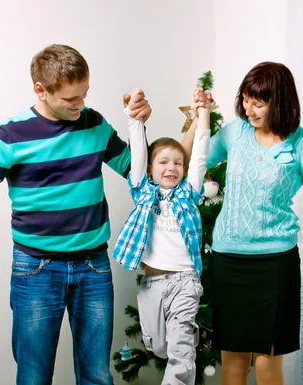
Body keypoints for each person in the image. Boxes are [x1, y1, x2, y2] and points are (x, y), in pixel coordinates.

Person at [0, 44, 151, 385]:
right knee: (34, 377)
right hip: (35, 271)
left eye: (84, 94)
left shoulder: (93, 123)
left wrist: (138, 126)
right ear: (41, 90)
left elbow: (138, 174)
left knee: (98, 376)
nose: (80, 105)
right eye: (71, 99)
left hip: (93, 267)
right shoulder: (10, 137)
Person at [181, 62, 303, 385]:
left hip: (275, 266)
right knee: (232, 364)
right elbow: (186, 158)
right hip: (228, 262)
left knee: (266, 364)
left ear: (280, 103)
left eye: (258, 103)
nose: (249, 109)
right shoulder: (235, 133)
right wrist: (198, 118)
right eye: (246, 99)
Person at [112, 87, 213, 385]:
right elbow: (138, 152)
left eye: (177, 163)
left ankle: (186, 337)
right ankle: (188, 336)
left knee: (180, 351)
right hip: (152, 283)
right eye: (164, 162)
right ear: (150, 169)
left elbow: (200, 154)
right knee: (158, 347)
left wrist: (203, 113)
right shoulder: (143, 192)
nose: (172, 167)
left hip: (184, 282)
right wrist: (134, 118)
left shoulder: (188, 193)